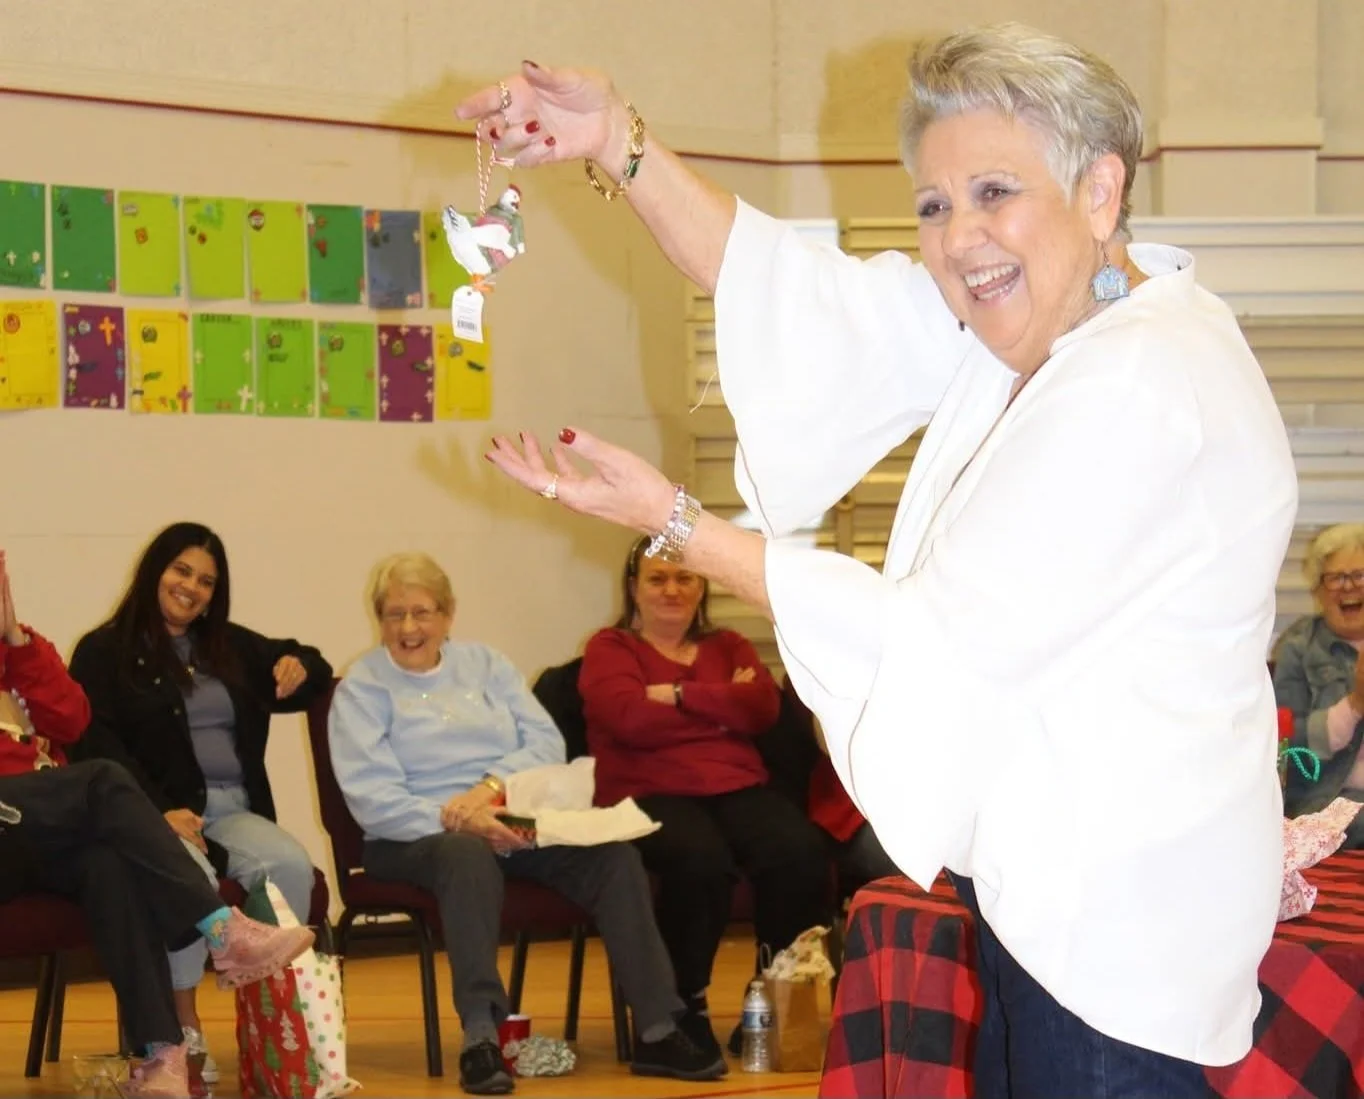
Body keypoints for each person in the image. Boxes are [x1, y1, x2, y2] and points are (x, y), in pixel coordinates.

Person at [468, 24, 1298, 1098]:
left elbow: (937, 638)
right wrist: (616, 142)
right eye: (934, 204)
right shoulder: (1057, 322)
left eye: (994, 191)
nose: (958, 240)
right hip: (1065, 889)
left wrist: (677, 522)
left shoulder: (1135, 379)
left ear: (1099, 190)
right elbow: (801, 300)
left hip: (1118, 915)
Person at [328, 552, 726, 1095]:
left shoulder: (486, 665)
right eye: (394, 614)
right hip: (411, 835)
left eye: (422, 613)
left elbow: (545, 744)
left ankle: (658, 1026)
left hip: (510, 815)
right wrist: (463, 819)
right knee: (465, 856)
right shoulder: (362, 689)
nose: (408, 628)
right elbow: (374, 800)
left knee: (612, 856)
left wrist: (493, 792)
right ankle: (482, 1035)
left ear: (448, 616)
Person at [0, 550, 314, 1097]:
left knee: (108, 866)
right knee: (102, 780)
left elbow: (71, 718)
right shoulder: (108, 646)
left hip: (36, 831)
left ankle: (161, 1058)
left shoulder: (21, 648)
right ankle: (222, 928)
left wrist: (16, 642)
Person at [69, 522, 332, 1083]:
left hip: (234, 807)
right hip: (152, 814)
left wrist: (300, 663)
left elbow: (310, 667)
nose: (191, 587)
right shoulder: (103, 650)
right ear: (155, 570)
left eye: (207, 581)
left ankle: (271, 1028)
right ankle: (183, 1029)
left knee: (288, 864)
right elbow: (94, 745)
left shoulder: (230, 646)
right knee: (185, 875)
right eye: (181, 571)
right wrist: (153, 811)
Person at [579, 536, 831, 1053]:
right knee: (699, 861)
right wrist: (721, 708)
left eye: (684, 577)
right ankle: (681, 1005)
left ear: (701, 587)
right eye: (657, 578)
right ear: (634, 588)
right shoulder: (611, 648)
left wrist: (676, 696)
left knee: (799, 851)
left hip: (735, 785)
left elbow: (761, 709)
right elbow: (625, 719)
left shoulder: (730, 645)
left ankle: (768, 997)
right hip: (646, 789)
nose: (672, 588)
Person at [1274, 523, 1364, 845]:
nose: (1350, 587)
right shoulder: (1298, 648)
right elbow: (1286, 749)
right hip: (1331, 804)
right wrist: (1354, 706)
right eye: (1336, 578)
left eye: (1360, 575)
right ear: (1319, 592)